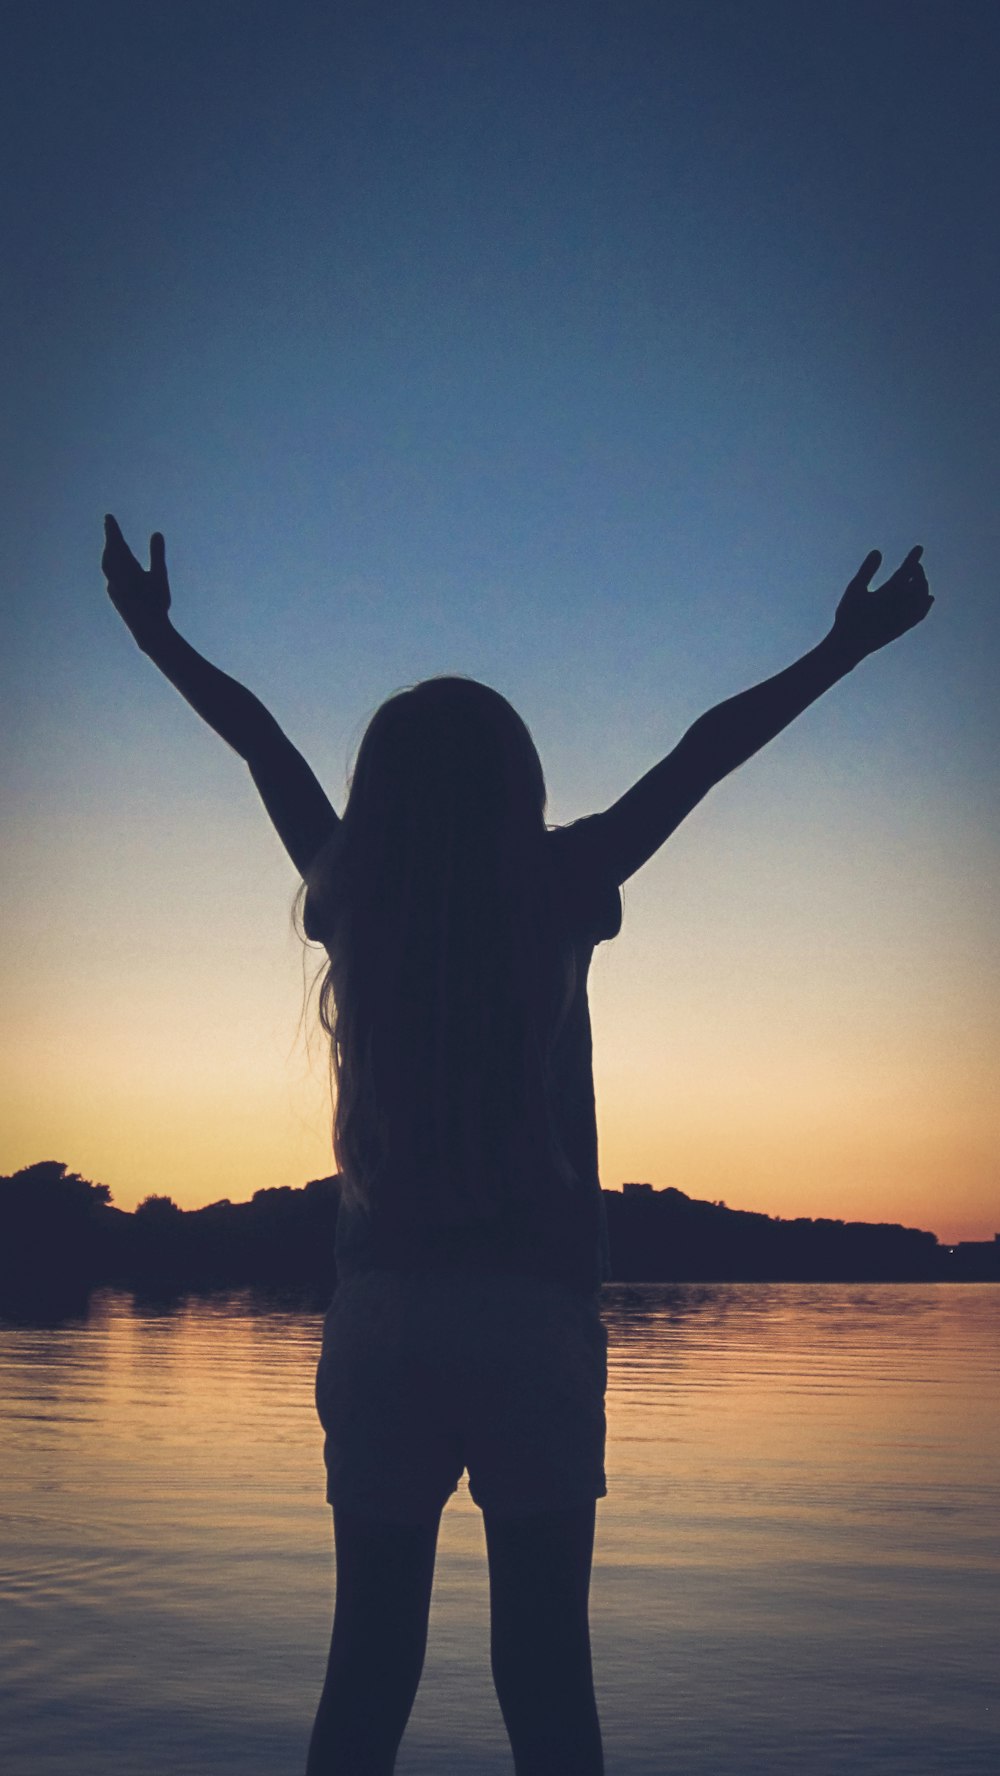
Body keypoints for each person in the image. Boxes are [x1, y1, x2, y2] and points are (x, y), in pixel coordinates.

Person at [100, 515, 933, 1775]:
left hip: (381, 1322)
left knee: (365, 1678)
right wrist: (843, 649)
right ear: (519, 784)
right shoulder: (556, 882)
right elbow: (700, 757)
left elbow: (260, 743)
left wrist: (157, 636)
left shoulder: (350, 885)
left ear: (380, 790)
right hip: (532, 1326)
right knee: (547, 1686)